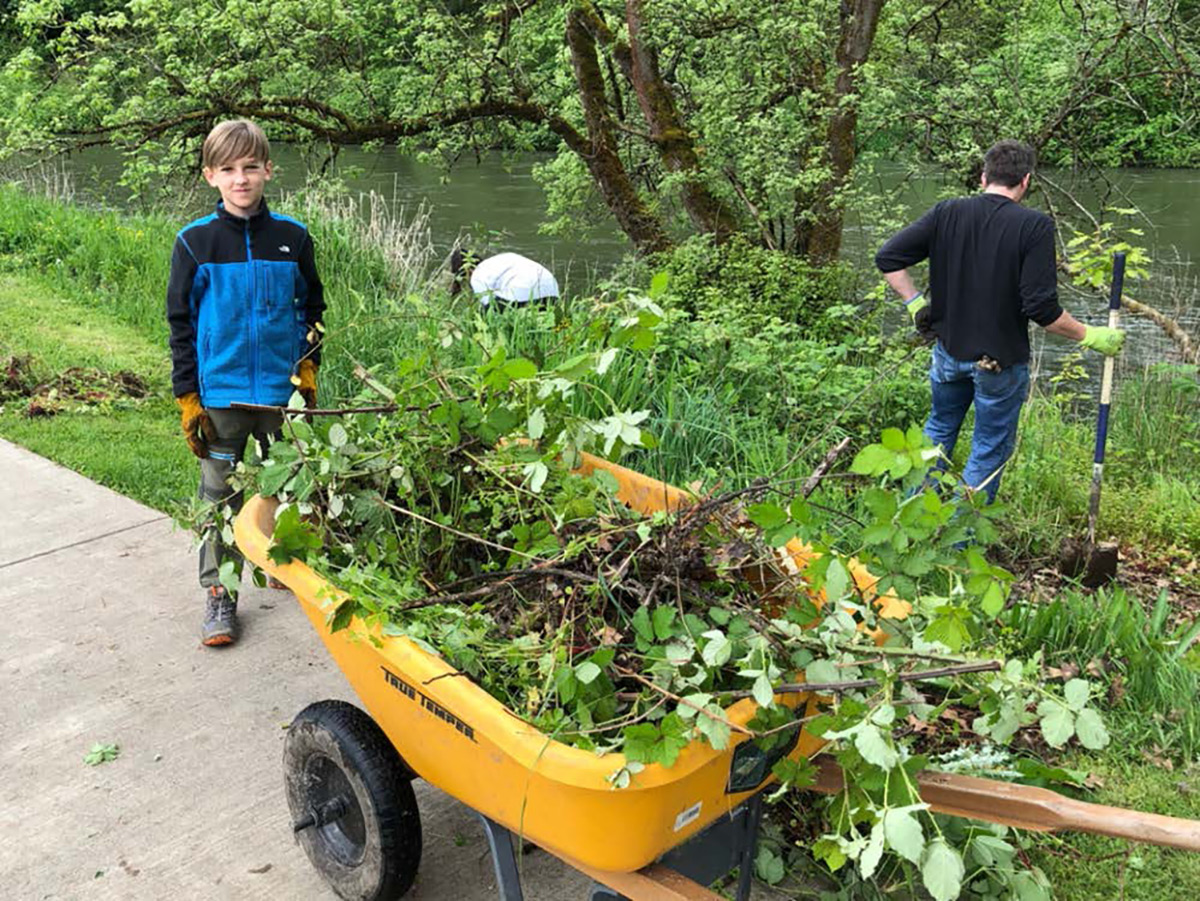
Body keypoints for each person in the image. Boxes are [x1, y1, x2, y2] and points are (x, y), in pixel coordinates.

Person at [875, 139, 1125, 502]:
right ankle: (958, 544)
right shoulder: (1034, 226)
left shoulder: (947, 212)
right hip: (999, 362)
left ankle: (914, 523)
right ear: (1025, 181)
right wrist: (1090, 335)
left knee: (938, 430)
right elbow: (1043, 311)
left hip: (948, 353)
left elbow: (888, 258)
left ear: (983, 177)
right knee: (988, 448)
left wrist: (916, 303)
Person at [166, 119, 325, 647]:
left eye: (251, 167)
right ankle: (219, 594)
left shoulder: (293, 238)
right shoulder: (195, 243)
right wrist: (189, 397)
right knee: (219, 497)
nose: (241, 179)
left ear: (267, 171)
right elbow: (181, 324)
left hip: (279, 394)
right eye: (229, 169)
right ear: (211, 176)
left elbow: (313, 308)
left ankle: (284, 564)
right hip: (222, 395)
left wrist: (307, 369)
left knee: (287, 487)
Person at [450, 248, 559, 307]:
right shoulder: (500, 259)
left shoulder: (478, 275)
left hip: (524, 293)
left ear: (467, 270)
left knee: (489, 313)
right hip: (552, 289)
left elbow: (488, 305)